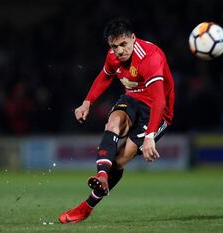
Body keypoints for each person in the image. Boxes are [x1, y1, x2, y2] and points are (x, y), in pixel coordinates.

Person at [58, 17, 175, 224]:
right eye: (114, 46)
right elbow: (104, 76)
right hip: (132, 98)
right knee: (112, 123)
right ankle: (102, 175)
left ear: (133, 38)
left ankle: (87, 207)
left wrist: (150, 137)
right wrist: (87, 102)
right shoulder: (113, 56)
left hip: (157, 111)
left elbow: (159, 101)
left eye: (123, 44)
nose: (119, 51)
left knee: (120, 160)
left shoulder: (150, 57)